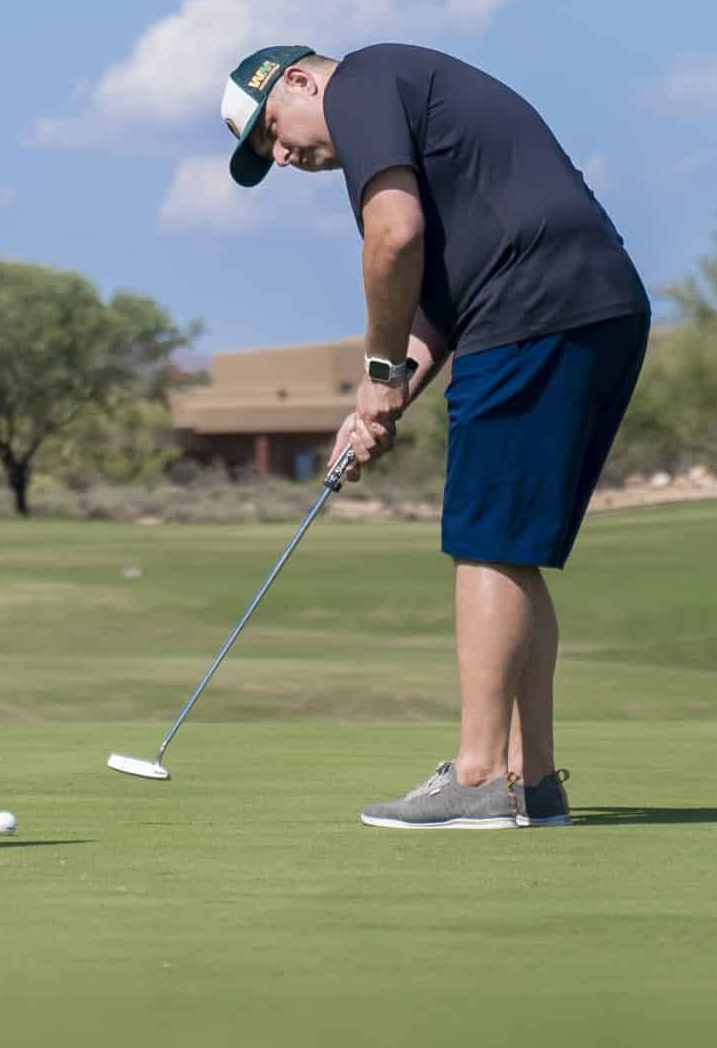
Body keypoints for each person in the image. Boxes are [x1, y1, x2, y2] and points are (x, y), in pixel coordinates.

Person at [218, 42, 650, 830]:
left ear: (303, 80)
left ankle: (480, 773)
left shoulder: (363, 82)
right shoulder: (411, 103)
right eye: (266, 151)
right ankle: (532, 777)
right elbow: (441, 307)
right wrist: (381, 403)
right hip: (589, 303)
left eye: (273, 129)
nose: (282, 157)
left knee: (484, 540)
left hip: (535, 304)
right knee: (509, 544)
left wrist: (378, 367)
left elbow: (393, 236)